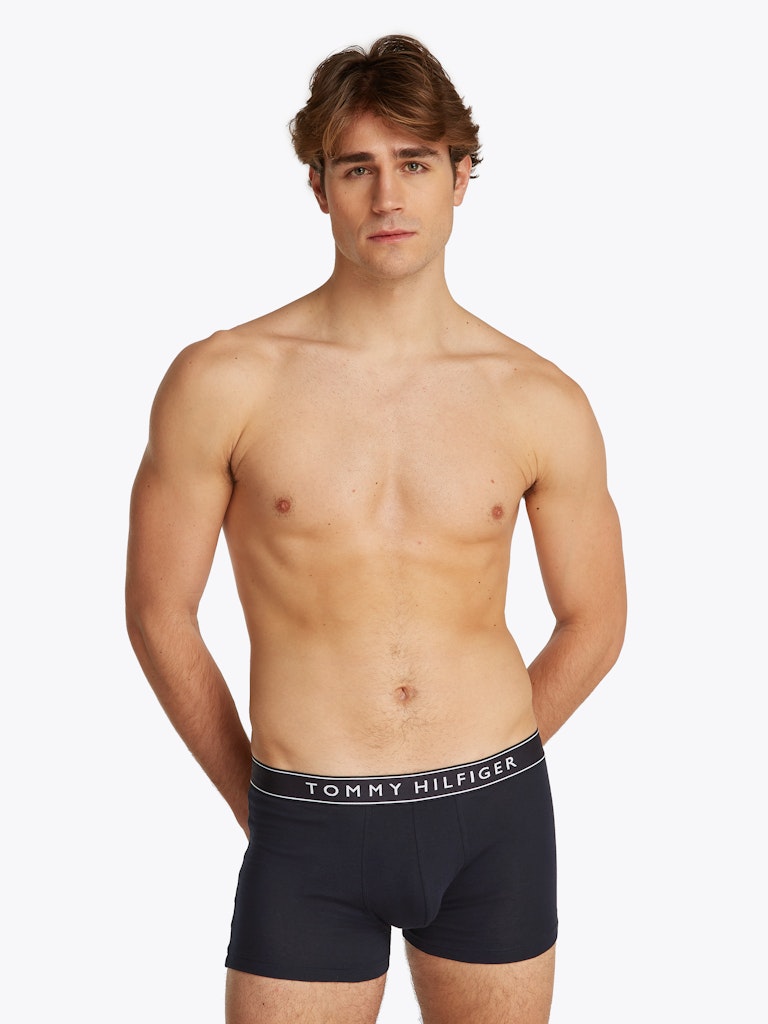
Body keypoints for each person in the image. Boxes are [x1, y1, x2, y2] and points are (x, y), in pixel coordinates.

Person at [125, 33, 626, 1024]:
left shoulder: (539, 398)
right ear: (318, 187)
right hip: (307, 819)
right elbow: (157, 612)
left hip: (495, 826)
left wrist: (489, 772)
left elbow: (596, 620)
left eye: (415, 164)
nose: (388, 196)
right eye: (357, 168)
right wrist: (258, 802)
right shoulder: (224, 380)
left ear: (462, 176)